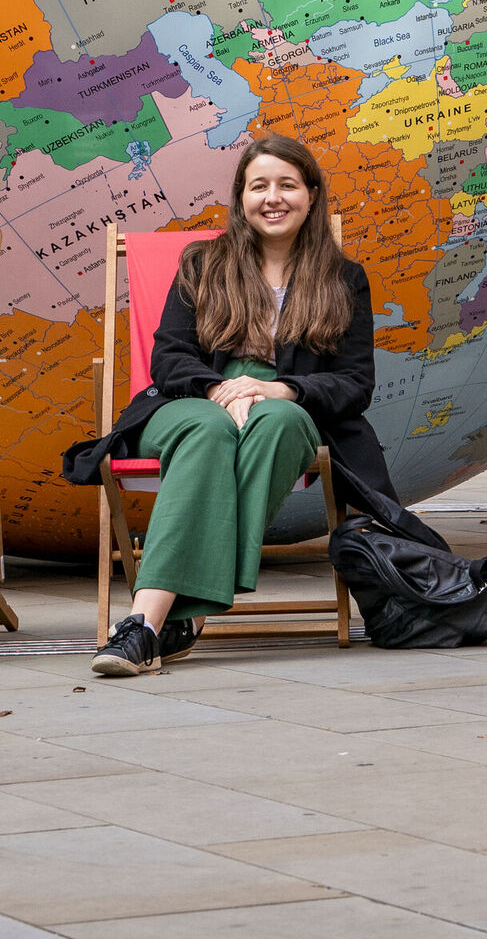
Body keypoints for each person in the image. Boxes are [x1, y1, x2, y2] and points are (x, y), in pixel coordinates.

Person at [88, 134, 397, 677]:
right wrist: (218, 390)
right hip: (191, 400)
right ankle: (154, 618)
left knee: (277, 421)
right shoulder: (203, 263)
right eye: (259, 186)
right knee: (209, 431)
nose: (272, 198)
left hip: (288, 407)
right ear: (241, 197)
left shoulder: (344, 278)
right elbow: (170, 355)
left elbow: (355, 382)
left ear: (312, 195)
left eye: (287, 185)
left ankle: (150, 630)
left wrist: (285, 389)